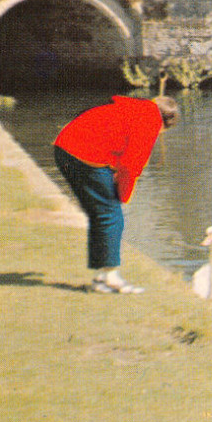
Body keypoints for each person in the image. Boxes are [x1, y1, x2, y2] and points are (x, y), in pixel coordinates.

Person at [53, 94, 180, 294]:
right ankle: (111, 277)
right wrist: (123, 196)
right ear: (165, 125)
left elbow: (116, 143)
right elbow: (131, 166)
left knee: (100, 213)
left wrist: (114, 175)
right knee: (112, 215)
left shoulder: (138, 108)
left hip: (65, 146)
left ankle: (101, 277)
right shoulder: (150, 122)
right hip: (81, 151)